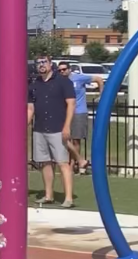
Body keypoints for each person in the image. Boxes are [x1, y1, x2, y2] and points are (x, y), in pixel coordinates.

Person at [27, 57, 76, 208]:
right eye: (38, 63)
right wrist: (24, 126)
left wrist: (67, 126)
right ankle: (49, 195)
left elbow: (71, 104)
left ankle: (68, 198)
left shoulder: (63, 81)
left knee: (62, 162)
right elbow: (30, 108)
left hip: (57, 128)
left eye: (44, 62)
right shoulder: (34, 84)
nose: (41, 65)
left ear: (50, 64)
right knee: (45, 162)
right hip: (40, 128)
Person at [58, 62, 103, 173]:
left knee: (76, 140)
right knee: (63, 138)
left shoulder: (79, 78)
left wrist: (101, 94)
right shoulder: (59, 81)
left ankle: (73, 166)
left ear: (69, 69)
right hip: (65, 113)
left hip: (79, 112)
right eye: (60, 70)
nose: (62, 72)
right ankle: (78, 161)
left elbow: (98, 79)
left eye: (64, 69)